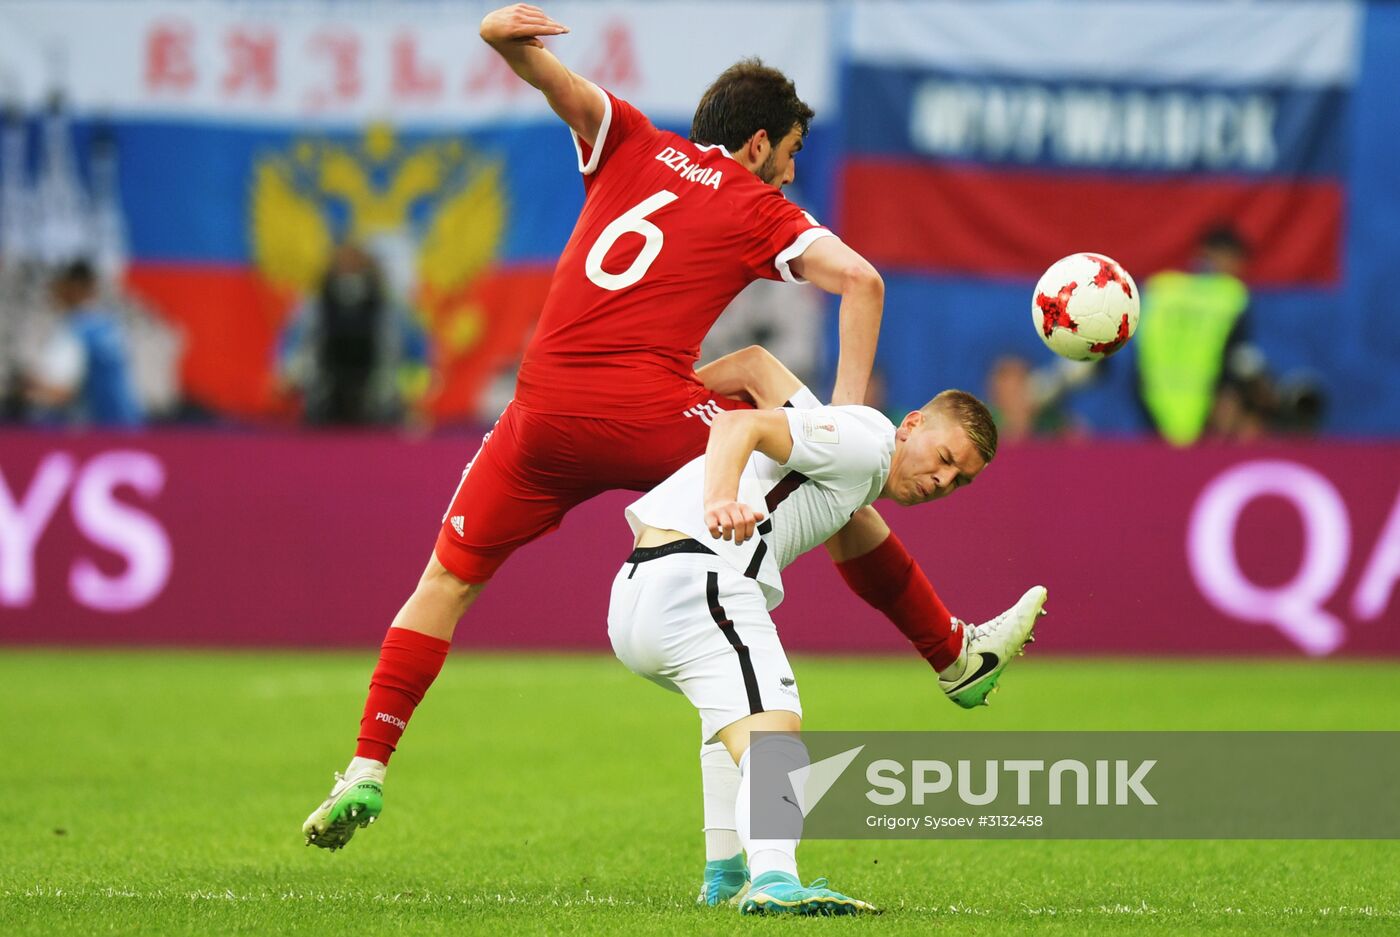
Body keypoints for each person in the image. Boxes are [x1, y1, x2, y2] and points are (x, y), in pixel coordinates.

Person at [303, 3, 1031, 854]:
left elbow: (562, 87)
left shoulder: (633, 142)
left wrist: (504, 41)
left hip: (539, 411)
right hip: (644, 413)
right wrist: (841, 421)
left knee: (444, 583)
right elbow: (862, 280)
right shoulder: (754, 205)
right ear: (758, 144)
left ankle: (365, 767)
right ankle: (952, 653)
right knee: (825, 471)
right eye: (791, 155)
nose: (791, 177)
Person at [608, 361, 1046, 913]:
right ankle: (774, 879)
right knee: (775, 732)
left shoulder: (847, 460)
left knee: (733, 723)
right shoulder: (864, 444)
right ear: (910, 424)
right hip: (701, 578)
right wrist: (720, 495)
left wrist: (663, 396)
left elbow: (754, 364)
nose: (942, 481)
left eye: (960, 479)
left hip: (639, 594)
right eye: (944, 459)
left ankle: (724, 875)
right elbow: (735, 428)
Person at [1135, 225, 1250, 445]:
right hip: (1207, 412)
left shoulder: (1159, 289)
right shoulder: (1231, 296)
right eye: (1234, 260)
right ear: (1210, 253)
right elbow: (1236, 359)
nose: (1238, 268)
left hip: (1153, 402)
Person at [23, 259, 143, 428]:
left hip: (94, 436)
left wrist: (25, 391)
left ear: (73, 287)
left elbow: (62, 392)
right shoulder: (111, 326)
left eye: (59, 284)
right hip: (129, 428)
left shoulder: (74, 331)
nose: (53, 290)